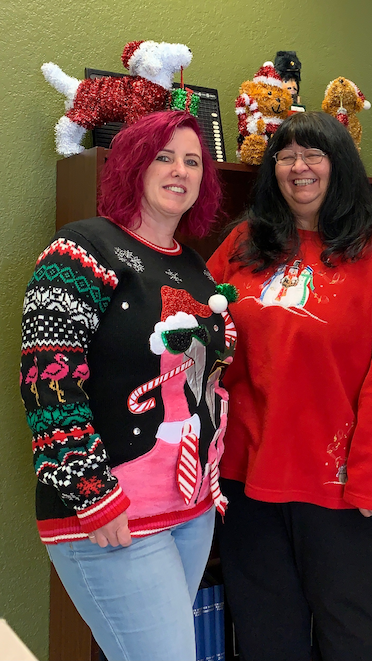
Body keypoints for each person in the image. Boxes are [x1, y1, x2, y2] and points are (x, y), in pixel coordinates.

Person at [206, 111, 372, 661]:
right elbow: (196, 331)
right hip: (246, 473)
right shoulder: (241, 244)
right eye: (285, 156)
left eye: (314, 154)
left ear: (340, 166)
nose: (299, 167)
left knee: (351, 627)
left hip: (340, 479)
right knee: (263, 629)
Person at [20, 110, 234, 661]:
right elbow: (49, 383)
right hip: (111, 511)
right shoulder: (80, 249)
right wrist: (92, 495)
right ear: (134, 165)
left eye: (193, 161)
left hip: (190, 508)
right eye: (164, 157)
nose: (179, 171)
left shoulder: (194, 267)